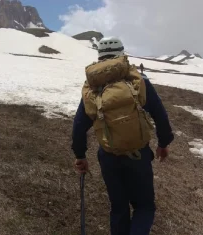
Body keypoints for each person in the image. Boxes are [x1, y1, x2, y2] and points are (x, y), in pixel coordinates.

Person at [71, 36, 174, 235]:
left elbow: (78, 126)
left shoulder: (92, 88)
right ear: (122, 53)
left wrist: (80, 156)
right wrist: (163, 143)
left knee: (118, 208)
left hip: (109, 157)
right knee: (144, 207)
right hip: (138, 155)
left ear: (100, 56)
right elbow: (160, 115)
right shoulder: (138, 81)